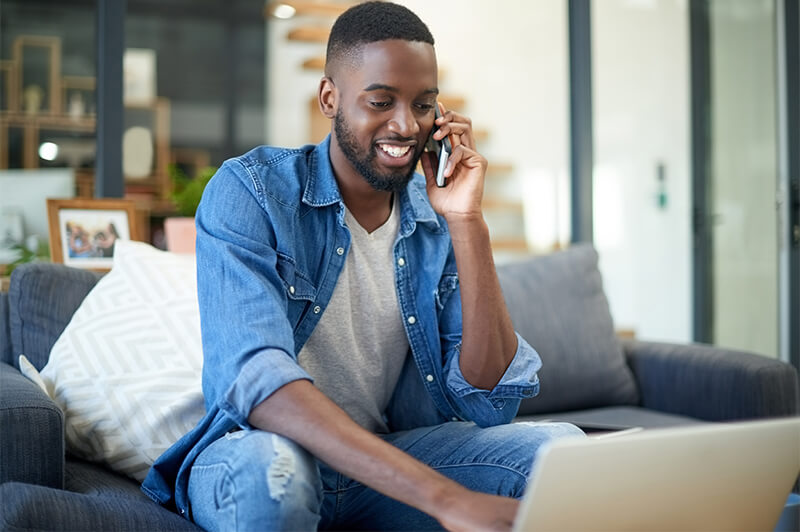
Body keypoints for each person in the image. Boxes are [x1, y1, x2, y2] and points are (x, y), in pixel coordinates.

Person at [142, 3, 583, 530]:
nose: (406, 125)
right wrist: (442, 497)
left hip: (386, 460)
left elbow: (490, 402)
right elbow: (256, 380)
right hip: (265, 449)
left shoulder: (435, 222)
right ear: (330, 98)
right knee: (272, 478)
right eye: (381, 101)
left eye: (424, 105)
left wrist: (468, 221)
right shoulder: (251, 192)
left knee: (557, 451)